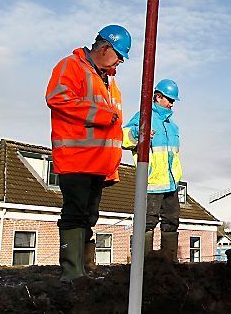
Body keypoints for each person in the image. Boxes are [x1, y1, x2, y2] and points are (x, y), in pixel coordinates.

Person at [45, 25, 129, 283]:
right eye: (120, 56)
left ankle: (85, 267)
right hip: (76, 159)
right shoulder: (71, 66)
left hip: (97, 163)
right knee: (75, 214)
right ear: (105, 49)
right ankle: (71, 272)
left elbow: (114, 128)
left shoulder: (108, 81)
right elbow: (57, 98)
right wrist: (103, 115)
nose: (120, 63)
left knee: (89, 216)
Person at [122, 79, 182, 261]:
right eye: (170, 100)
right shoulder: (144, 117)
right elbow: (123, 138)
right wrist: (138, 134)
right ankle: (144, 264)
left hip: (171, 185)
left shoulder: (173, 126)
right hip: (152, 183)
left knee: (171, 222)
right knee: (147, 224)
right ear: (158, 96)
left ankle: (169, 263)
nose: (172, 104)